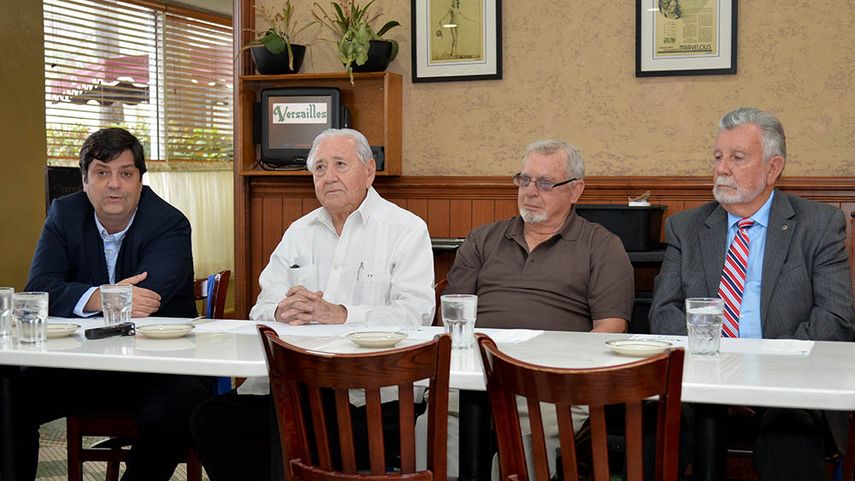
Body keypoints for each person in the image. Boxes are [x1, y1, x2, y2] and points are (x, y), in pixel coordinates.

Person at [191, 128, 435, 481]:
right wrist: (280, 311)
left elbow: (415, 315)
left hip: (373, 395)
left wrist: (342, 315)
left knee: (299, 437)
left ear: (369, 171)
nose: (328, 176)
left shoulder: (406, 229)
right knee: (211, 419)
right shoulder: (299, 232)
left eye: (340, 164)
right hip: (295, 387)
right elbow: (261, 308)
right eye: (319, 168)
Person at [649, 107, 855, 481]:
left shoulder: (819, 225)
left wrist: (760, 377)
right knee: (654, 429)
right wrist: (717, 369)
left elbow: (835, 317)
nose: (721, 168)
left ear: (773, 168)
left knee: (788, 435)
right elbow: (663, 312)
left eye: (737, 157)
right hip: (701, 377)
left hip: (789, 384)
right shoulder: (686, 228)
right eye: (717, 157)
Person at [7, 127, 211, 481]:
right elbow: (39, 287)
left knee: (174, 409)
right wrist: (102, 295)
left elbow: (149, 300)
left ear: (140, 181)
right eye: (102, 172)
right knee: (9, 389)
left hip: (157, 369)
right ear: (84, 180)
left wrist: (77, 294)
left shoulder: (169, 223)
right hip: (80, 364)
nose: (114, 184)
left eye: (126, 173)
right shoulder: (64, 214)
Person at [438, 139, 634, 477]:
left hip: (552, 384)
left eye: (544, 183)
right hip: (477, 373)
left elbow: (611, 328)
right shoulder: (483, 239)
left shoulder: (602, 246)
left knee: (525, 445)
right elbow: (454, 314)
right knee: (435, 428)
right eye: (524, 180)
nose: (530, 191)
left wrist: (560, 376)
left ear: (575, 190)